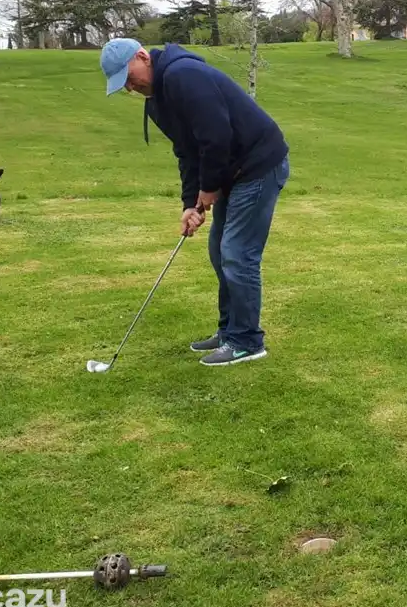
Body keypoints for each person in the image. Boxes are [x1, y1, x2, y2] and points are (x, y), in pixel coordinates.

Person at [99, 38, 290, 367]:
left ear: (143, 56)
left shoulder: (184, 75)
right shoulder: (157, 99)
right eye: (124, 85)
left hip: (259, 165)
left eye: (130, 78)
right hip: (234, 171)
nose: (131, 88)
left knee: (237, 253)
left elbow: (216, 136)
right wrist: (191, 202)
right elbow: (187, 151)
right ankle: (230, 331)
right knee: (220, 252)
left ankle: (247, 341)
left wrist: (209, 186)